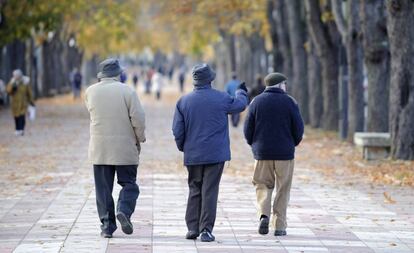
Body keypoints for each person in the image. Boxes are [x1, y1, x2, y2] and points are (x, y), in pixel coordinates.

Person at [172, 63, 248, 242]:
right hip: (215, 154)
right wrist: (241, 92)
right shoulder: (221, 98)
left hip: (193, 154)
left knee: (194, 189)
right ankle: (206, 229)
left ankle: (192, 228)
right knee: (210, 190)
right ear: (210, 80)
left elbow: (177, 131)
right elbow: (240, 105)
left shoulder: (183, 101)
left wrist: (184, 147)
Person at [84, 58, 146, 238]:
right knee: (129, 184)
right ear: (118, 74)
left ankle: (107, 226)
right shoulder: (128, 91)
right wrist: (140, 138)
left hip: (100, 148)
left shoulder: (90, 92)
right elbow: (138, 119)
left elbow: (91, 112)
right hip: (125, 146)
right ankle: (124, 210)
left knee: (103, 189)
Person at [243, 73, 304, 237]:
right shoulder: (290, 102)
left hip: (262, 153)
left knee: (262, 185)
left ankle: (264, 215)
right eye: (285, 84)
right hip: (285, 153)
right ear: (280, 85)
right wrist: (293, 143)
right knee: (283, 188)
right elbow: (298, 129)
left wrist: (254, 145)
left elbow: (247, 129)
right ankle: (280, 226)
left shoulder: (256, 102)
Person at [6, 70, 35, 136]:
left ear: (20, 76)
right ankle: (17, 129)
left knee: (22, 117)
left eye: (17, 76)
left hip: (23, 103)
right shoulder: (12, 82)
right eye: (15, 76)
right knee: (16, 117)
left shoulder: (25, 83)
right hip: (14, 104)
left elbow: (29, 93)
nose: (16, 77)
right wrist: (12, 88)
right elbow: (8, 91)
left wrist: (31, 102)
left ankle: (21, 129)